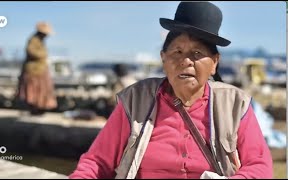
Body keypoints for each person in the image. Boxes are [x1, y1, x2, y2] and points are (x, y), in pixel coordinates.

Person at [69, 2, 272, 179]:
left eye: (197, 53)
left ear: (214, 64)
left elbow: (260, 167)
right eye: (177, 51)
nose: (186, 61)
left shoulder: (236, 105)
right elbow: (97, 162)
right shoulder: (135, 101)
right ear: (163, 58)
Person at [15, 22, 57, 116]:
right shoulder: (33, 39)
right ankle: (35, 108)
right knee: (34, 90)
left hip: (41, 69)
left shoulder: (41, 41)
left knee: (43, 90)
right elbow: (30, 51)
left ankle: (40, 108)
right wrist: (43, 55)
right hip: (34, 70)